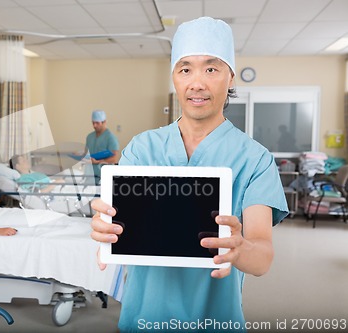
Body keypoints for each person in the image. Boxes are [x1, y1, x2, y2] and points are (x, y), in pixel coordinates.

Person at [90, 17, 289, 332]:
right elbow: (117, 226)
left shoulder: (255, 160)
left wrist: (241, 247)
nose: (197, 82)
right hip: (144, 319)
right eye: (185, 69)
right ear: (175, 79)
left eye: (211, 69)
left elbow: (262, 258)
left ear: (231, 78)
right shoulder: (142, 150)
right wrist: (104, 230)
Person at [85, 109, 120, 182]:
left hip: (104, 177)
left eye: (97, 123)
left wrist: (98, 161)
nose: (94, 125)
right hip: (90, 176)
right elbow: (86, 153)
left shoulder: (110, 137)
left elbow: (115, 158)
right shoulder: (89, 137)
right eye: (93, 123)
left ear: (104, 122)